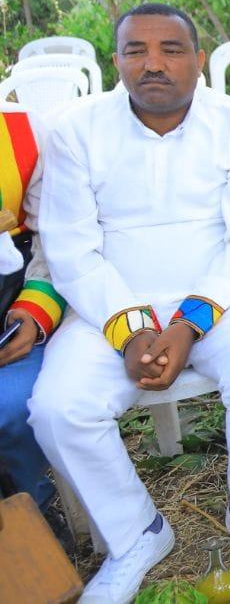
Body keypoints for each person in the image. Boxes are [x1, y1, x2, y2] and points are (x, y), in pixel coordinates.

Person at [28, 4, 230, 602]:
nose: (153, 64)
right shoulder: (78, 129)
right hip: (109, 305)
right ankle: (136, 535)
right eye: (135, 51)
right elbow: (71, 247)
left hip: (219, 297)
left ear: (199, 61)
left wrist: (189, 323)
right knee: (56, 408)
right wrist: (129, 331)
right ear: (116, 60)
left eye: (171, 50)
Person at [0, 103, 65, 527]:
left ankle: (30, 515)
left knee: (11, 405)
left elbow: (55, 235)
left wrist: (34, 308)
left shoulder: (24, 131)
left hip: (12, 309)